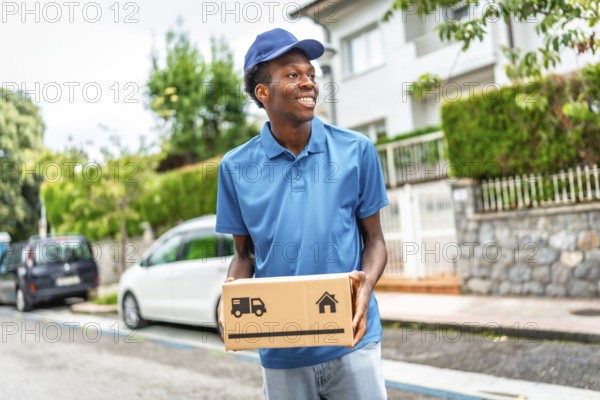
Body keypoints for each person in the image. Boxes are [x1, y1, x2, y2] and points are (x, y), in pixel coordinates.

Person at [216, 28, 389, 400]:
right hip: (282, 351)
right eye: (292, 75)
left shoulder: (357, 150)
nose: (308, 82)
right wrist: (232, 296)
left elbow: (374, 241)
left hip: (353, 341)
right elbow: (243, 256)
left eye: (310, 74)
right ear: (263, 92)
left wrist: (367, 286)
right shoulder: (235, 167)